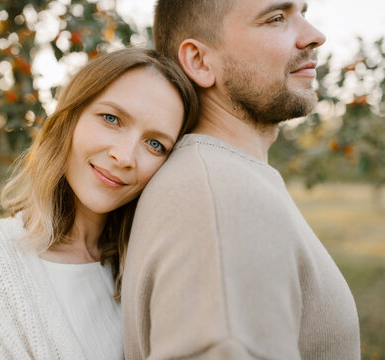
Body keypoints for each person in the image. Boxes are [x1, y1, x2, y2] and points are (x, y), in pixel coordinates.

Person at [122, 1, 360, 359]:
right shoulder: (221, 200)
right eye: (277, 18)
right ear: (200, 62)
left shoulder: (225, 178)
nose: (314, 36)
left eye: (303, 13)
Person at [0, 47, 198, 359]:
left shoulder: (150, 271)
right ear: (70, 118)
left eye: (155, 144)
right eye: (111, 118)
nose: (124, 157)